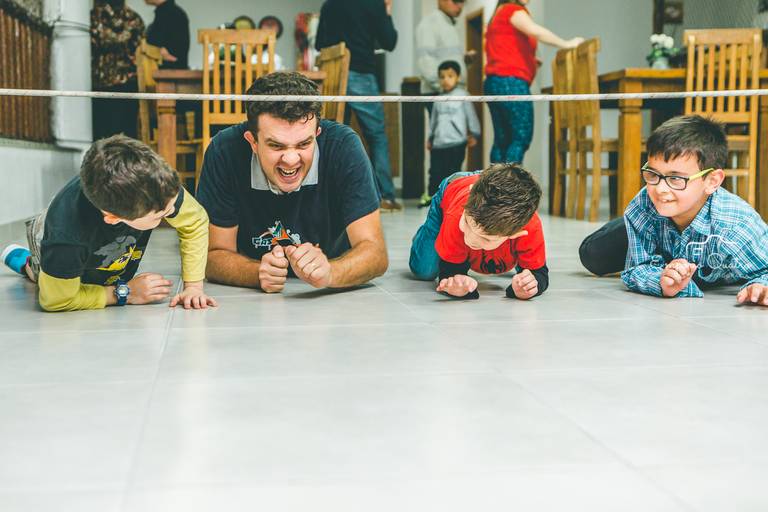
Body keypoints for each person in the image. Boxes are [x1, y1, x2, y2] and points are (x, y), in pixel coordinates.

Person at [196, 72, 388, 293]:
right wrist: (257, 272)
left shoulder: (343, 147)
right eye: (276, 146)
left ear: (317, 133)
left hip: (332, 281)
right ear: (253, 142)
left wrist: (331, 273)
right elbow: (213, 255)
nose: (290, 160)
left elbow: (375, 253)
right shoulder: (224, 151)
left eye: (304, 144)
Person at [1, 136, 216, 312]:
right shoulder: (66, 238)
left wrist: (194, 286)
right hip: (51, 237)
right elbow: (55, 301)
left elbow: (195, 222)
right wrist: (124, 293)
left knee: (100, 275)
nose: (171, 215)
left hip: (99, 247)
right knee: (45, 278)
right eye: (160, 217)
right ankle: (28, 263)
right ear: (113, 218)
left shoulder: (156, 189)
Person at [580, 115, 768, 305]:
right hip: (656, 220)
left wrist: (761, 285)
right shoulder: (644, 204)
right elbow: (637, 268)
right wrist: (661, 282)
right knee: (593, 255)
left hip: (690, 221)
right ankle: (627, 226)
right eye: (653, 174)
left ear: (712, 181)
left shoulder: (736, 226)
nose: (660, 189)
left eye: (676, 178)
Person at [409, 163, 548, 300]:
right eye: (467, 223)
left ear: (514, 235)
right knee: (424, 271)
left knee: (526, 272)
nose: (470, 238)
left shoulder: (530, 227)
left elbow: (538, 273)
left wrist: (528, 286)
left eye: (485, 238)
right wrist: (457, 284)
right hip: (454, 188)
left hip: (489, 188)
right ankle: (428, 234)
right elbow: (450, 271)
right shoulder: (456, 215)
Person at [315, 0, 402, 212]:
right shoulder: (373, 4)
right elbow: (389, 42)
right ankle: (386, 197)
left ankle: (327, 192)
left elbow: (319, 44)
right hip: (361, 72)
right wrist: (387, 11)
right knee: (377, 136)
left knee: (330, 133)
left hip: (334, 75)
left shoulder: (329, 5)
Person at [484, 0, 583, 164]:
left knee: (503, 140)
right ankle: (508, 187)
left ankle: (494, 187)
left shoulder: (499, 12)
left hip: (495, 81)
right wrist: (566, 44)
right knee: (520, 137)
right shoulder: (513, 10)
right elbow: (536, 31)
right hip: (511, 82)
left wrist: (529, 59)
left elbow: (504, 47)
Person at [422, 60, 480, 207]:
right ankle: (432, 199)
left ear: (458, 77)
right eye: (442, 77)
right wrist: (430, 138)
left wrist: (474, 133)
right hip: (438, 143)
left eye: (450, 76)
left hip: (456, 142)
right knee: (434, 172)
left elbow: (470, 116)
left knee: (453, 172)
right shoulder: (438, 99)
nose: (445, 80)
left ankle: (453, 199)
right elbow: (433, 120)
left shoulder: (463, 95)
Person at [90, 0, 145, 139]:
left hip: (124, 84)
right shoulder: (96, 16)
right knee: (104, 136)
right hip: (103, 86)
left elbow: (139, 49)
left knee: (127, 136)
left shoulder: (134, 18)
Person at [416, 0, 473, 102]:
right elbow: (426, 63)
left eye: (462, 2)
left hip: (453, 93)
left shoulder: (450, 24)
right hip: (440, 94)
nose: (460, 6)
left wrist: (465, 61)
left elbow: (447, 60)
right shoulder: (430, 23)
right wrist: (446, 87)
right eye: (456, 1)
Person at [144, 0, 190, 69]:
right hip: (166, 73)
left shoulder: (173, 14)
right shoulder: (171, 13)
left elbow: (173, 57)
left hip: (168, 74)